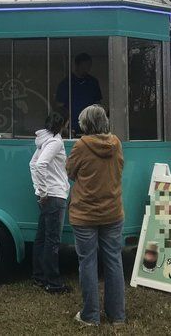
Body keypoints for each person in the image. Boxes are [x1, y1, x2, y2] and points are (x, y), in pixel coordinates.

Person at [66, 105, 125, 326]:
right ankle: (117, 315)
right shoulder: (117, 143)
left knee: (88, 263)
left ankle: (90, 316)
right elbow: (120, 168)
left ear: (86, 124)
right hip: (113, 211)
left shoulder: (81, 145)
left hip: (85, 214)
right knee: (114, 261)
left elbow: (70, 172)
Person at [30, 111, 71, 294]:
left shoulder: (44, 141)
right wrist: (44, 191)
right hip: (55, 196)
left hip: (47, 196)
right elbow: (39, 165)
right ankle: (53, 283)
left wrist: (39, 191)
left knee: (42, 238)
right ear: (63, 125)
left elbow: (33, 164)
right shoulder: (55, 141)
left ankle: (39, 276)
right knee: (52, 241)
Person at [55, 53, 102, 135]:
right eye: (84, 66)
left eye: (89, 66)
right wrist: (63, 126)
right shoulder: (67, 83)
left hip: (90, 126)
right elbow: (59, 107)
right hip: (71, 127)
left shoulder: (93, 82)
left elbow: (98, 104)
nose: (87, 69)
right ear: (77, 65)